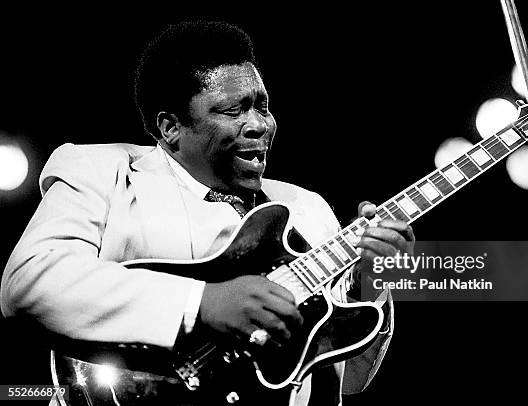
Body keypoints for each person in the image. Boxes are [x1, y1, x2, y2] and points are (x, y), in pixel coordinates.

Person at [0, 21, 414, 405]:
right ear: (170, 128)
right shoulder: (102, 172)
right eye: (232, 110)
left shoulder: (308, 208)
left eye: (262, 106)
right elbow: (30, 281)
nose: (258, 125)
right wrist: (203, 302)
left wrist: (370, 281)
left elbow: (348, 380)